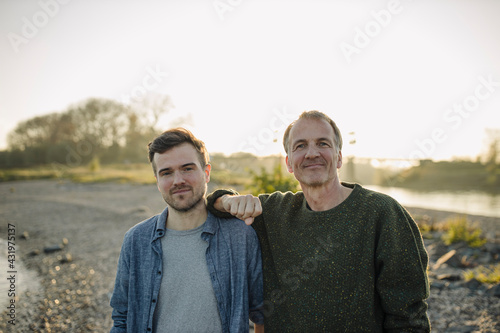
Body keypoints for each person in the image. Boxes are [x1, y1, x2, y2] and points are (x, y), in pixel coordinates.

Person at [207, 111, 431, 332]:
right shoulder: (276, 211)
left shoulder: (382, 213)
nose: (311, 153)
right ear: (289, 163)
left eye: (322, 143)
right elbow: (213, 205)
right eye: (300, 146)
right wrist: (227, 200)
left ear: (339, 157)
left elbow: (408, 319)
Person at [110, 128, 264, 333]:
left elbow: (262, 313)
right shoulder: (136, 240)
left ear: (206, 172)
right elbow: (122, 317)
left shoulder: (240, 237)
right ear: (157, 180)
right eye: (166, 172)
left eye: (187, 169)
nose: (178, 180)